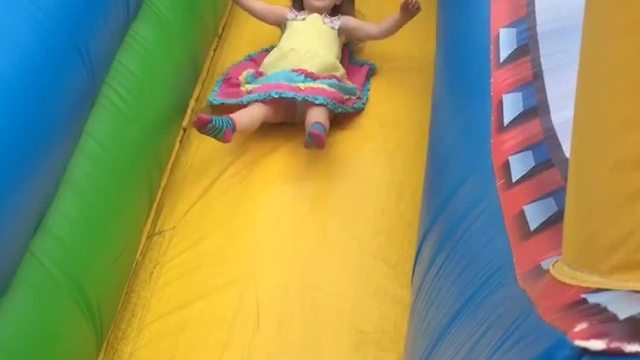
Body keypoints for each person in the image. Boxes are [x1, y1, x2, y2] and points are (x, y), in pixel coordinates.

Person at [194, 0, 422, 149]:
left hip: (317, 84)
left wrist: (402, 16)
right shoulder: (289, 17)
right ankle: (229, 125)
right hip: (281, 84)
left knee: (319, 107)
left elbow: (377, 31)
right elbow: (256, 7)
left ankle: (316, 130)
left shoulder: (340, 24)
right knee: (261, 109)